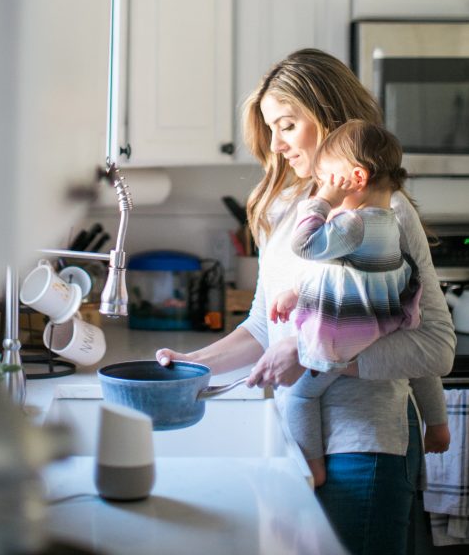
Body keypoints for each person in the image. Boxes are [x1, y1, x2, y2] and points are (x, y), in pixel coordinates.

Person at [155, 49, 455, 555]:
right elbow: (262, 326)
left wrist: (314, 353)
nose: (276, 144)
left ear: (330, 117)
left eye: (287, 125)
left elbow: (436, 347)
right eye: (271, 129)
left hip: (367, 447)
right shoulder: (285, 209)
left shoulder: (387, 213)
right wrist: (194, 364)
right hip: (299, 440)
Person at [270, 118, 449, 488]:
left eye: (326, 178)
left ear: (356, 178)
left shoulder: (352, 225)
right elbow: (340, 273)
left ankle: (313, 469)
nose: (320, 187)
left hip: (346, 341)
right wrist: (296, 292)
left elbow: (305, 243)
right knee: (418, 370)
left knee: (300, 398)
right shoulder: (385, 223)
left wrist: (322, 201)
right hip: (383, 321)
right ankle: (439, 426)